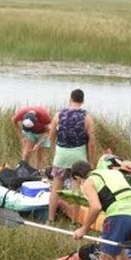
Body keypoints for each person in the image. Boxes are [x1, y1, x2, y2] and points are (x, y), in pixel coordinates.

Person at [68, 159, 131, 260]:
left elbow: (96, 207)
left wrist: (83, 229)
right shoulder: (110, 172)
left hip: (119, 216)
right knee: (121, 252)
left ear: (77, 177)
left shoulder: (87, 182)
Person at [47, 89, 97, 222]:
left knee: (56, 187)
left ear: (70, 99)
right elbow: (91, 142)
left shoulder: (59, 115)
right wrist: (92, 162)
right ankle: (74, 220)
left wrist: (56, 147)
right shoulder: (87, 117)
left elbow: (51, 137)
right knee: (76, 190)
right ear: (82, 100)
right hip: (78, 157)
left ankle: (51, 219)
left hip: (61, 155)